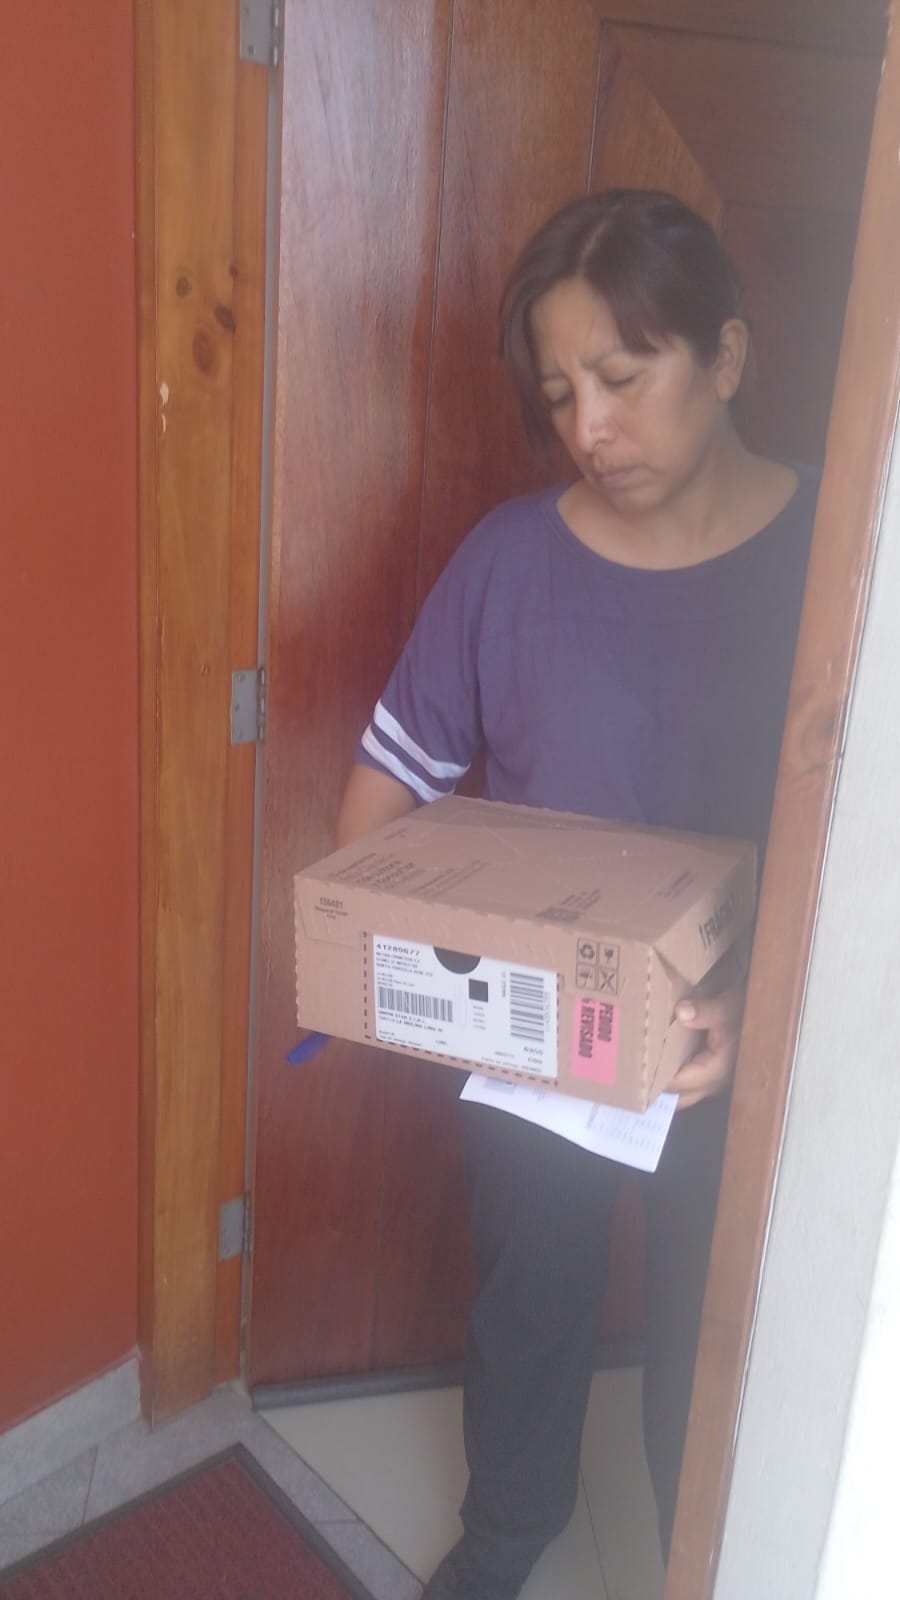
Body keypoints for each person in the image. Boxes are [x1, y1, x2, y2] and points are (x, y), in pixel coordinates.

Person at [335, 189, 819, 1600]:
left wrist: (757, 1008)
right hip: (543, 1038)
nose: (591, 428)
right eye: (560, 397)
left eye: (624, 375)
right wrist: (405, 965)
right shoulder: (509, 562)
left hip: (743, 1043)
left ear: (725, 355)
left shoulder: (839, 558)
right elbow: (380, 798)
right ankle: (504, 1543)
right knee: (530, 1307)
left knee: (711, 1340)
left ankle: (704, 1562)